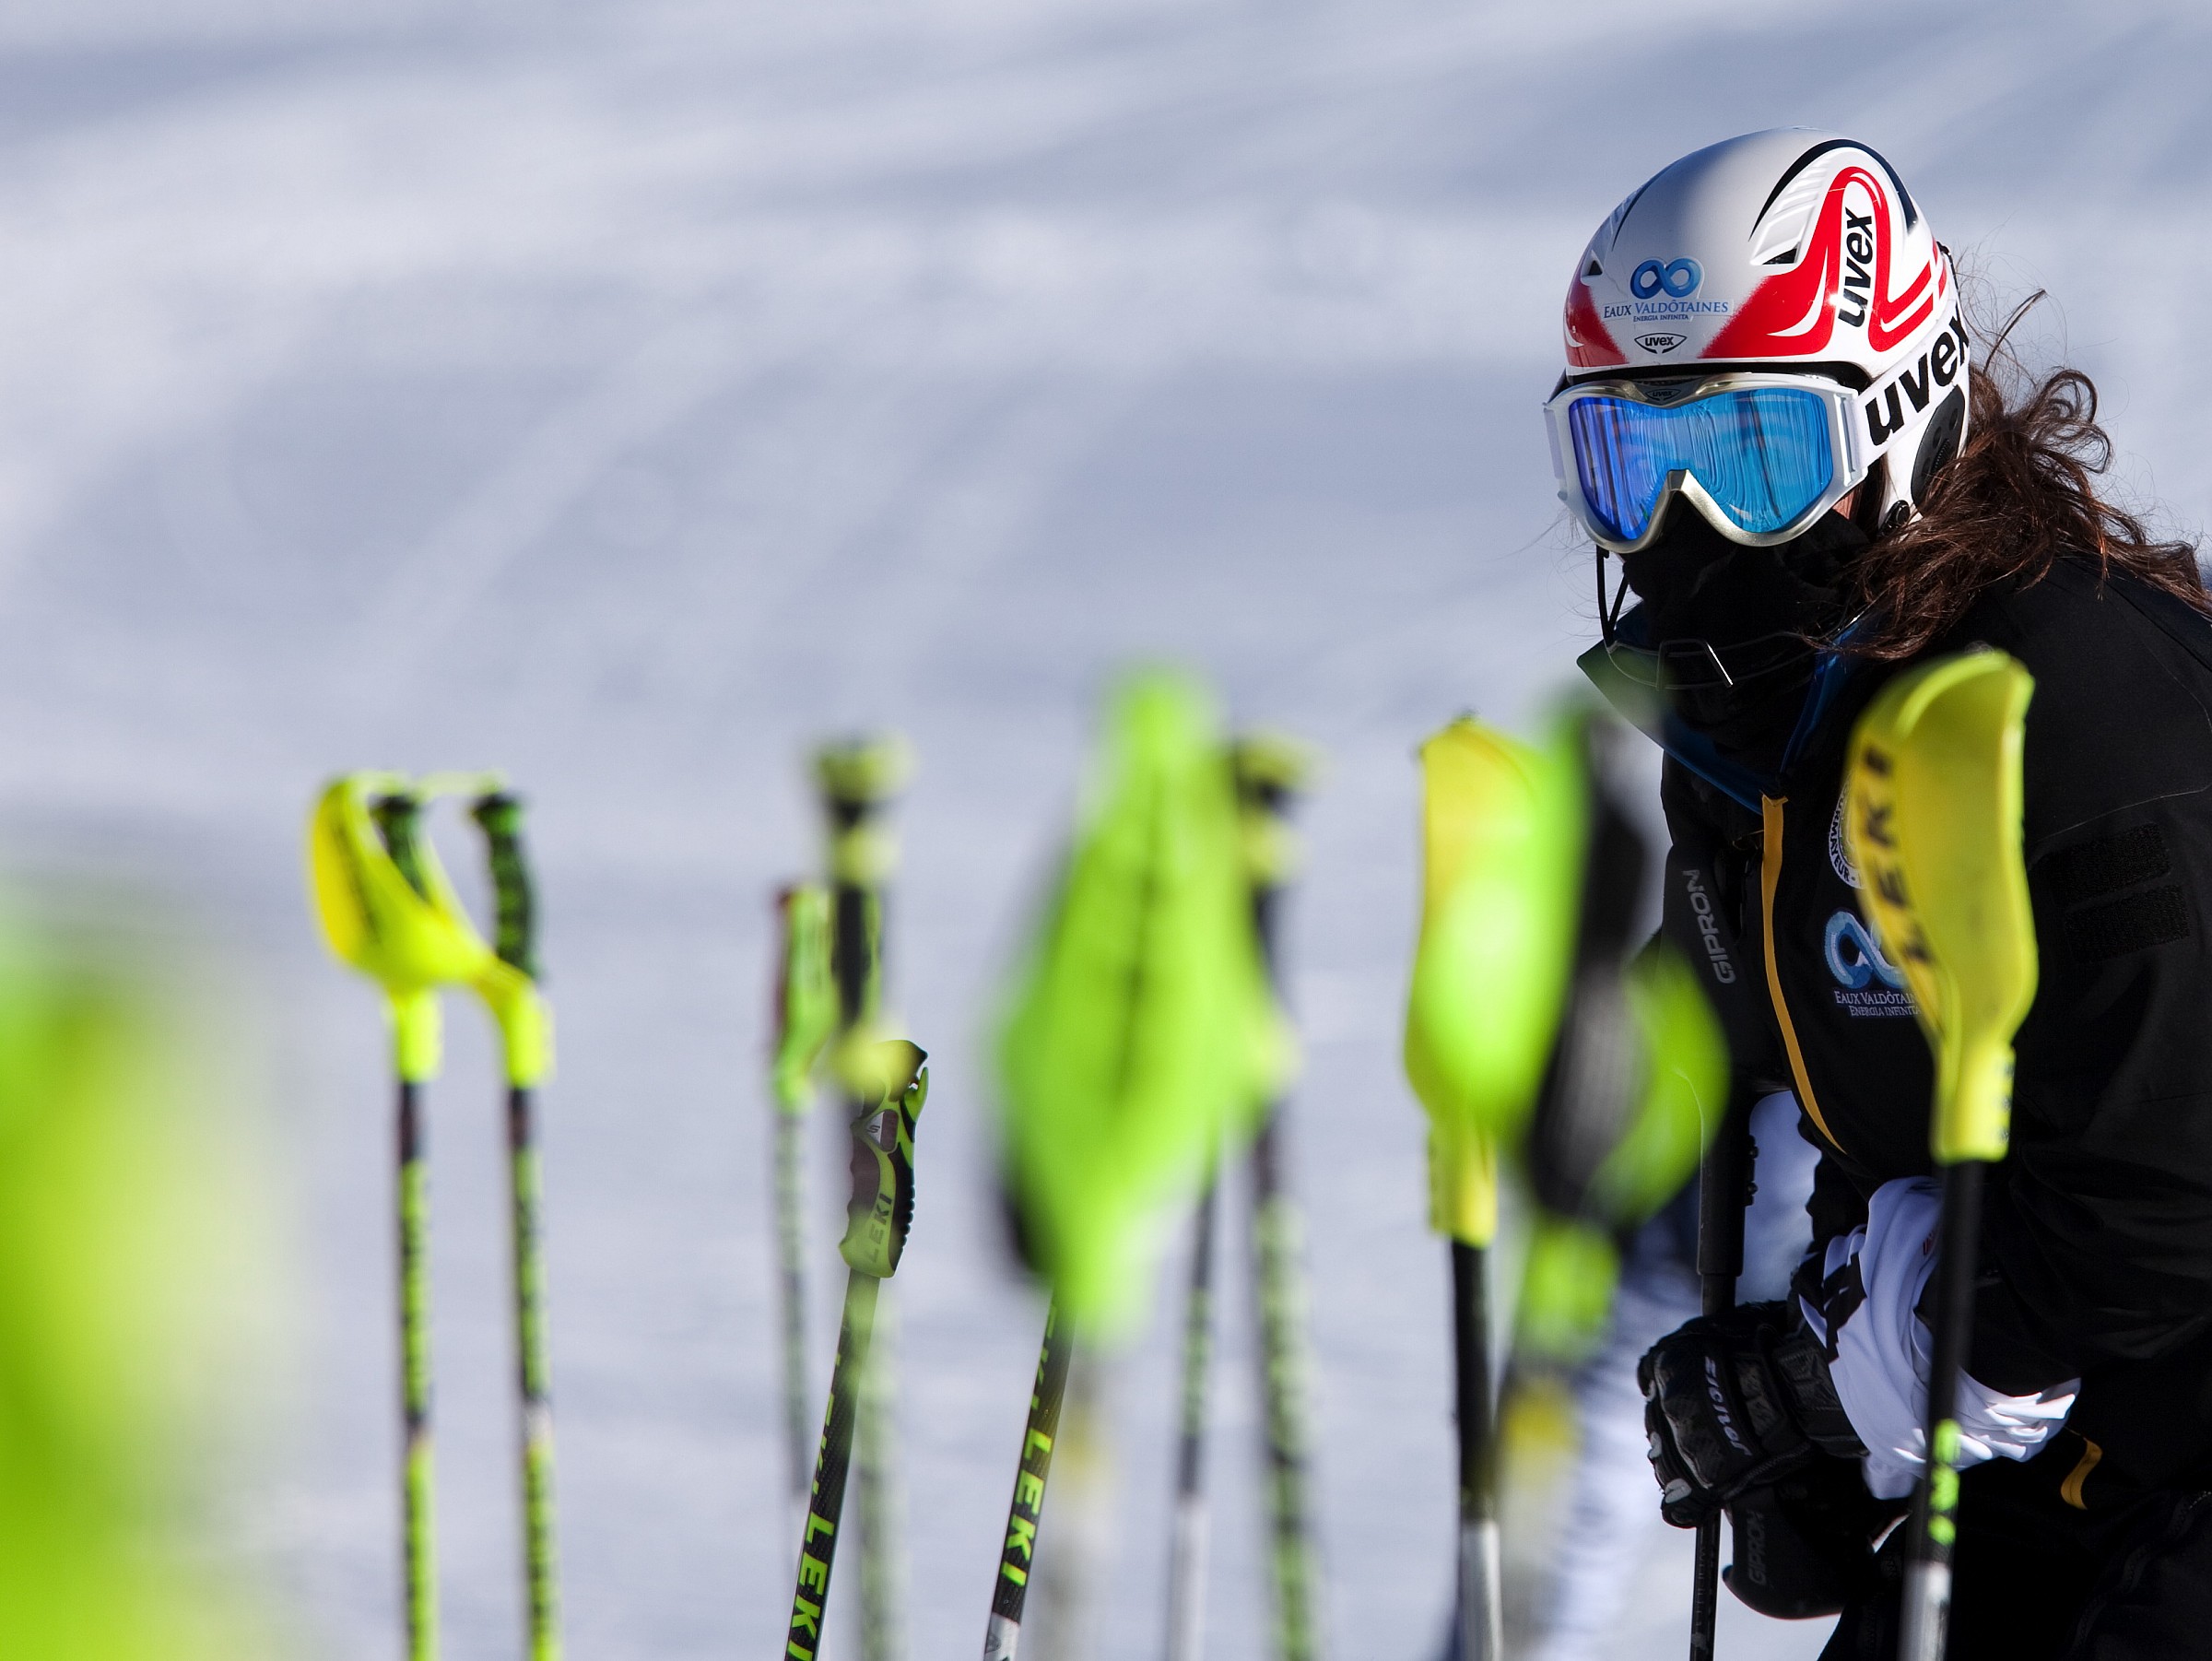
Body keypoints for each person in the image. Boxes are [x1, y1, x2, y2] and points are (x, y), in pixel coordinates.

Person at [1548, 128, 2212, 1658]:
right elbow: (1850, 1095)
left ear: (1898, 424)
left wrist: (1835, 1376)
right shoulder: (1757, 734)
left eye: (1756, 459)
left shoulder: (2093, 719)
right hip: (2082, 1441)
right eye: (1631, 462)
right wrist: (1825, 1415)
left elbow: (2168, 1199)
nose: (1685, 530)